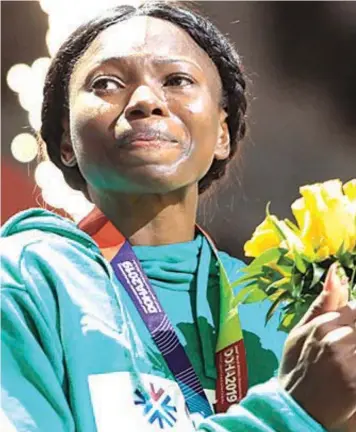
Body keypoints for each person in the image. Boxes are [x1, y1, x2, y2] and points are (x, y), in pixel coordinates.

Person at [2, 2, 356, 431]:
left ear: (223, 134)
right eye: (107, 83)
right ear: (64, 142)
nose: (146, 100)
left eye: (177, 80)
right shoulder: (27, 282)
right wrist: (291, 412)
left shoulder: (286, 313)